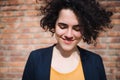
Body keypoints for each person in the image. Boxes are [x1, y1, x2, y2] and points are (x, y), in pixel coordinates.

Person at [22, 0, 113, 80]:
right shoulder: (36, 59)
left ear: (85, 29)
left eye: (77, 28)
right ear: (54, 24)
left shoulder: (95, 61)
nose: (69, 35)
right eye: (62, 26)